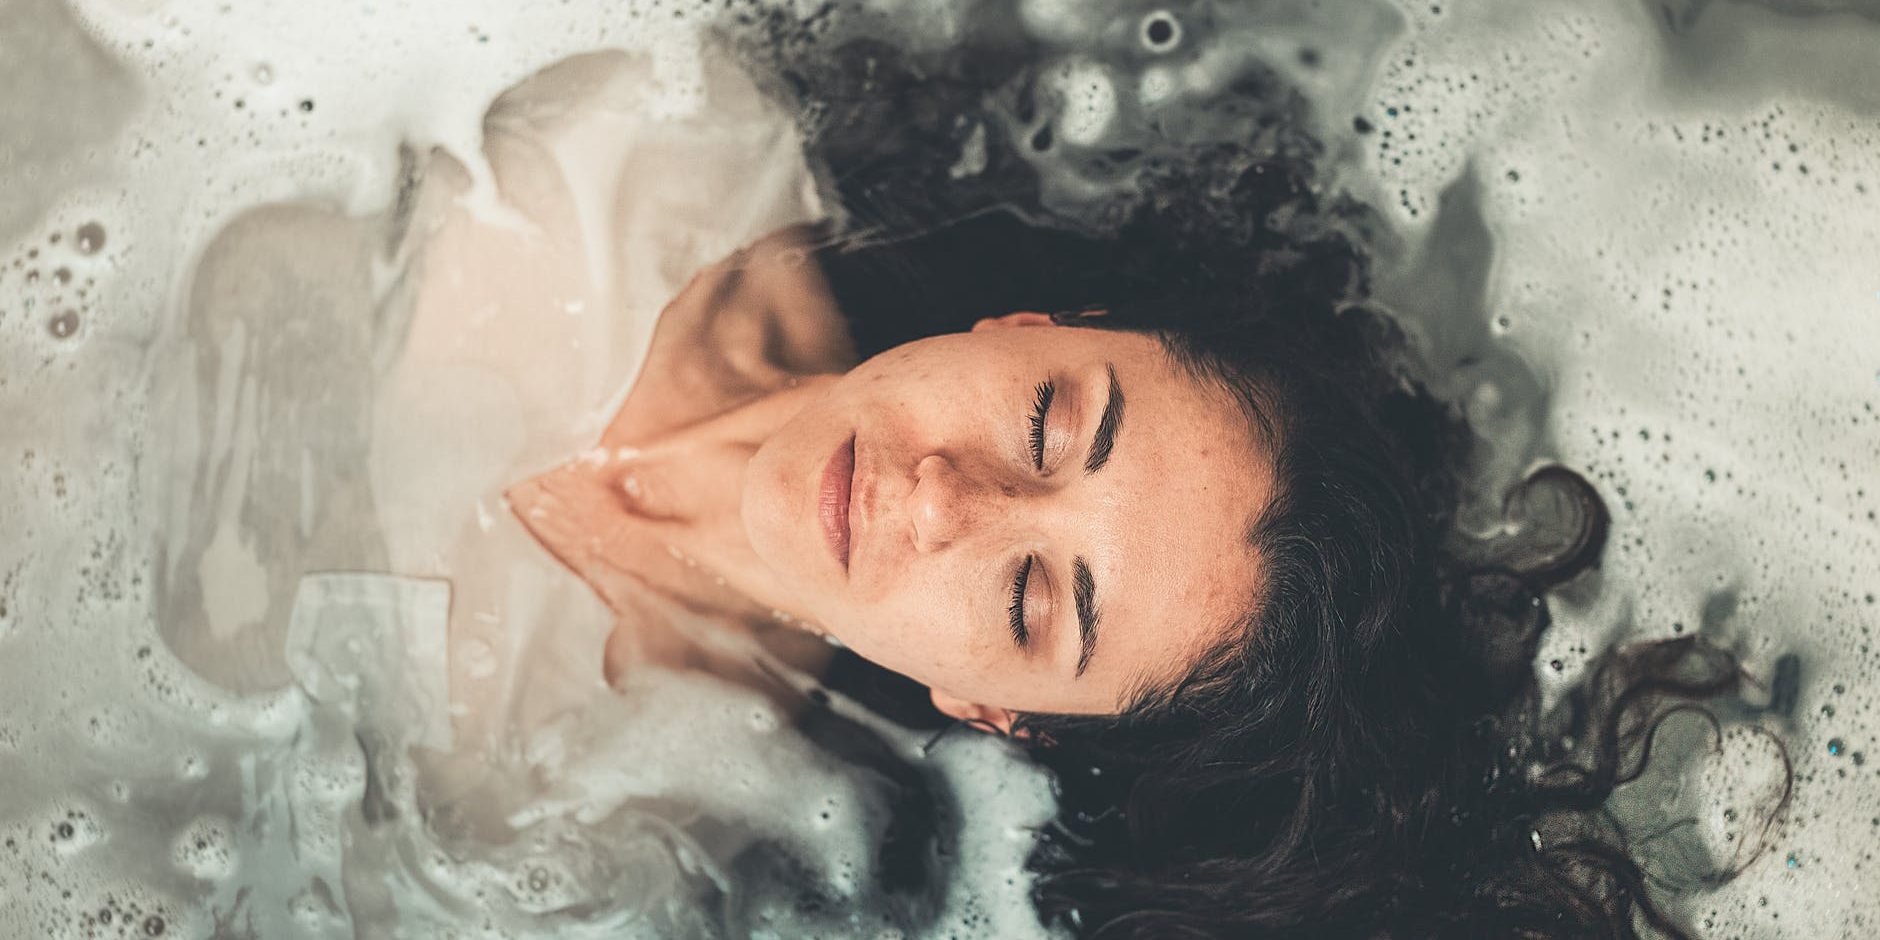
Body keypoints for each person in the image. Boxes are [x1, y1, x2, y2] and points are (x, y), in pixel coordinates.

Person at [502, 187, 1787, 938]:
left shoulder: (583, 794)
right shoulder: (642, 168)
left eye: (1028, 598)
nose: (948, 497)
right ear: (1025, 327)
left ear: (986, 707)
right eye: (1048, 423)